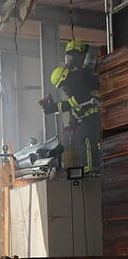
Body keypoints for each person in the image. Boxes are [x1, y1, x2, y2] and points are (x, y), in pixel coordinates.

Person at [39, 40, 100, 174]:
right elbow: (76, 106)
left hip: (93, 114)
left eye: (63, 85)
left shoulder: (81, 79)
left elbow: (77, 101)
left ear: (67, 78)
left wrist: (55, 107)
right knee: (87, 141)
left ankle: (92, 167)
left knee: (89, 141)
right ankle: (90, 166)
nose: (64, 90)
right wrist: (72, 123)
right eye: (61, 88)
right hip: (88, 116)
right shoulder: (78, 81)